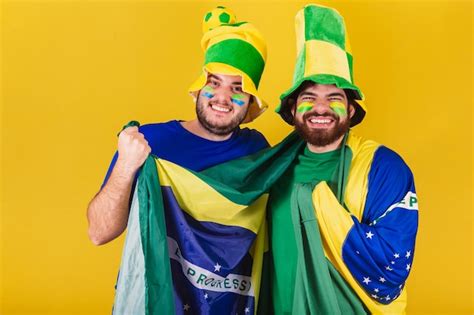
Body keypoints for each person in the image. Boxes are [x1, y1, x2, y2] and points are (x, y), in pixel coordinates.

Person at [269, 4, 419, 314]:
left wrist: (316, 201)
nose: (320, 108)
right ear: (294, 110)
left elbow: (392, 264)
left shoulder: (383, 167)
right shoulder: (271, 168)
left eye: (334, 99)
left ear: (350, 111)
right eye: (309, 98)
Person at [87, 6, 270, 246]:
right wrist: (125, 164)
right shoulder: (150, 141)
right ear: (199, 89)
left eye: (237, 88)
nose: (223, 98)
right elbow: (99, 233)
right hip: (161, 283)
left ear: (250, 102)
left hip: (230, 283)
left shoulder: (257, 151)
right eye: (214, 83)